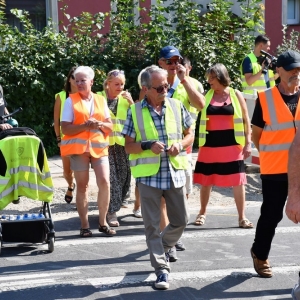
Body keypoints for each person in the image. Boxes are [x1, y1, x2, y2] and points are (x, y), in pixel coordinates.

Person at [122, 66, 202, 290]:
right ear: (146, 89)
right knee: (151, 227)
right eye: (160, 87)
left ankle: (161, 248)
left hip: (174, 173)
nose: (165, 89)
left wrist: (181, 145)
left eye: (167, 84)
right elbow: (128, 146)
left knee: (182, 220)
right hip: (148, 178)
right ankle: (161, 270)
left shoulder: (176, 105)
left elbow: (189, 134)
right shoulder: (135, 111)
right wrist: (147, 145)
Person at [250, 50, 300, 278]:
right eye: (291, 69)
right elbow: (257, 136)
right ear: (278, 70)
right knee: (272, 215)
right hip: (274, 170)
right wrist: (269, 156)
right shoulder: (265, 98)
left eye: (298, 69)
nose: (296, 73)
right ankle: (260, 254)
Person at [157, 46, 205, 259]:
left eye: (177, 60)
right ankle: (168, 239)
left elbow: (201, 105)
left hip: (184, 146)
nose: (174, 64)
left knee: (182, 192)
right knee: (163, 197)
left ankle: (174, 233)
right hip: (161, 147)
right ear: (161, 63)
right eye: (170, 61)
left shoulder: (191, 82)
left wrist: (183, 80)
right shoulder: (155, 80)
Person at [193, 63, 253, 229]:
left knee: (238, 180)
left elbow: (246, 119)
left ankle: (242, 217)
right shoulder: (206, 95)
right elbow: (195, 106)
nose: (209, 81)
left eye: (212, 77)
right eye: (208, 78)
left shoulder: (236, 94)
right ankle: (202, 213)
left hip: (233, 145)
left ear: (220, 77)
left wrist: (248, 142)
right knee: (206, 181)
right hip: (209, 145)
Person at [60, 66, 116, 237]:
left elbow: (110, 126)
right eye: (77, 81)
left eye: (82, 80)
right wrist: (85, 125)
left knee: (105, 182)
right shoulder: (71, 100)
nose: (79, 83)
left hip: (99, 148)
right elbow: (65, 128)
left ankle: (102, 222)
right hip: (79, 150)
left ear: (91, 81)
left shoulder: (100, 99)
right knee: (82, 187)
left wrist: (99, 124)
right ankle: (84, 226)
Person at [98, 69, 134, 227]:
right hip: (103, 144)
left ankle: (113, 205)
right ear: (108, 83)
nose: (120, 87)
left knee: (124, 178)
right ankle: (111, 212)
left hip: (122, 144)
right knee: (111, 179)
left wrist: (132, 103)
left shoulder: (126, 99)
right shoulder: (98, 97)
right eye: (117, 84)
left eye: (122, 84)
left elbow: (137, 117)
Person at [53, 67, 77, 203]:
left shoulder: (88, 95)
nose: (77, 80)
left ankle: (81, 196)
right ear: (69, 79)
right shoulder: (61, 96)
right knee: (67, 172)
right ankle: (70, 185)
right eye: (73, 77)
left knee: (82, 170)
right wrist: (58, 138)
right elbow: (56, 120)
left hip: (83, 139)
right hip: (66, 139)